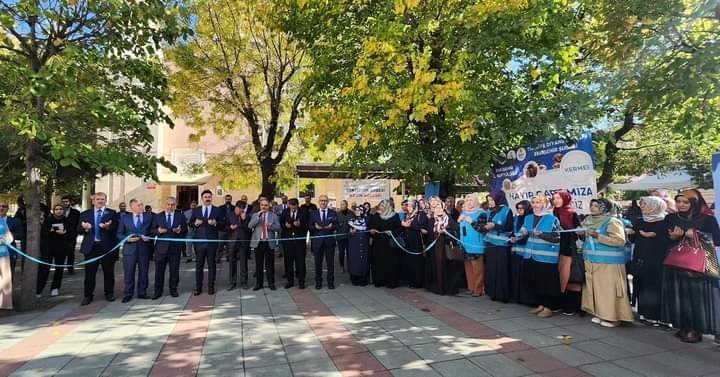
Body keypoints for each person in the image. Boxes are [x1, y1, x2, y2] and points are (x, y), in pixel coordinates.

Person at [661, 191, 720, 343]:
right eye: (678, 201)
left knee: (696, 298)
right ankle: (683, 326)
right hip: (676, 263)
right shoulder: (671, 218)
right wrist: (673, 237)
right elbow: (661, 237)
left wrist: (696, 234)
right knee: (679, 295)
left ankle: (696, 330)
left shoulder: (707, 219)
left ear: (695, 203)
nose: (681, 205)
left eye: (685, 202)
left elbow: (717, 240)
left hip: (697, 267)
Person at [580, 198, 633, 327]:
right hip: (592, 261)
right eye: (591, 205)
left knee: (609, 290)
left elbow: (619, 241)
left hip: (609, 263)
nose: (592, 208)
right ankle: (600, 313)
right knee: (597, 289)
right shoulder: (588, 220)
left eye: (596, 206)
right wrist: (581, 234)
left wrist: (598, 236)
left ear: (605, 208)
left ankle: (614, 317)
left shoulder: (613, 221)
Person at [519, 195, 561, 318]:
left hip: (546, 257)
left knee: (546, 283)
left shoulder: (552, 219)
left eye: (538, 202)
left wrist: (542, 235)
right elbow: (523, 231)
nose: (535, 205)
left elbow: (556, 238)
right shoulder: (528, 218)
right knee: (534, 281)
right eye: (533, 202)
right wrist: (518, 236)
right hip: (530, 255)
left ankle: (548, 308)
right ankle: (540, 305)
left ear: (544, 204)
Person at [629, 196, 669, 325]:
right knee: (641, 285)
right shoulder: (639, 221)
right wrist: (630, 234)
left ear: (655, 205)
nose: (642, 206)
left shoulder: (665, 222)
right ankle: (643, 313)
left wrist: (656, 236)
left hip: (657, 260)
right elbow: (634, 239)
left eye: (645, 204)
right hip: (640, 257)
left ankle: (657, 316)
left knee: (654, 287)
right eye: (641, 204)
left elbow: (670, 240)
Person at [78, 192, 119, 305]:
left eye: (102, 199)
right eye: (98, 199)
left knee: (109, 272)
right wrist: (85, 229)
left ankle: (109, 293)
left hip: (106, 247)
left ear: (105, 200)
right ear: (93, 201)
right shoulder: (85, 214)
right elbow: (78, 230)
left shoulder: (112, 213)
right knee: (89, 273)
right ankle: (88, 296)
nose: (100, 201)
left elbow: (116, 229)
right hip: (91, 248)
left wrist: (108, 227)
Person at [189, 189, 226, 295]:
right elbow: (190, 223)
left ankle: (211, 287)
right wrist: (195, 223)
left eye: (209, 197)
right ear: (202, 198)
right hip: (199, 242)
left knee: (212, 265)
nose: (207, 199)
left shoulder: (217, 210)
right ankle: (198, 288)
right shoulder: (196, 210)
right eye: (205, 197)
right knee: (199, 266)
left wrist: (215, 223)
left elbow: (223, 224)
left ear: (211, 198)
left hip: (211, 242)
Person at [553, 191, 583, 315]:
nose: (555, 201)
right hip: (554, 249)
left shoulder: (572, 214)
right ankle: (558, 303)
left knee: (570, 278)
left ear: (565, 199)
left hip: (568, 250)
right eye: (554, 198)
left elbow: (578, 233)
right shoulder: (552, 213)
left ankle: (571, 306)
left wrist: (565, 231)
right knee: (557, 278)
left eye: (558, 198)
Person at [117, 199, 153, 303]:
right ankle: (128, 293)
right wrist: (127, 239)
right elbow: (119, 233)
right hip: (129, 250)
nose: (141, 207)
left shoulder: (148, 217)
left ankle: (142, 292)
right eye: (139, 205)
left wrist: (149, 237)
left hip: (144, 249)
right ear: (132, 207)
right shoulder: (125, 218)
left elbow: (152, 230)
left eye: (142, 204)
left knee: (144, 272)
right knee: (129, 272)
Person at [425, 199, 463, 295]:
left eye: (440, 208)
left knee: (447, 266)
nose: (438, 210)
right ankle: (438, 286)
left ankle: (447, 287)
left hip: (446, 246)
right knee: (437, 266)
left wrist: (446, 231)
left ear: (443, 208)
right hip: (435, 246)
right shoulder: (431, 220)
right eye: (436, 208)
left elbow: (457, 229)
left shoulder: (448, 218)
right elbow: (429, 232)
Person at [151, 197, 187, 299]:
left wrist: (180, 231)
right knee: (159, 271)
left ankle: (173, 290)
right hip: (161, 248)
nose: (170, 207)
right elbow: (152, 230)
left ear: (175, 205)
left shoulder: (180, 216)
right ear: (165, 204)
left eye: (172, 205)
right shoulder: (158, 216)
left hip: (175, 248)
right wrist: (158, 231)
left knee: (174, 270)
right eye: (168, 204)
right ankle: (158, 291)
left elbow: (185, 229)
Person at [483, 192, 514, 302]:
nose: (490, 203)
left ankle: (503, 295)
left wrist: (495, 226)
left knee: (501, 270)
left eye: (492, 200)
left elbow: (509, 227)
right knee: (491, 269)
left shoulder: (507, 211)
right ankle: (493, 293)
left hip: (502, 245)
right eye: (488, 200)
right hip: (490, 243)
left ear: (498, 199)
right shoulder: (488, 212)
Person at [37, 204, 72, 297]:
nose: (59, 211)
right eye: (56, 209)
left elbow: (71, 235)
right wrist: (51, 231)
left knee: (59, 268)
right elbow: (43, 234)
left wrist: (64, 233)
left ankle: (55, 288)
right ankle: (39, 289)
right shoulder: (48, 220)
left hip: (61, 248)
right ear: (53, 210)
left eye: (61, 209)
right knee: (44, 269)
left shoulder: (67, 221)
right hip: (47, 248)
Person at [368, 199, 402, 288]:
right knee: (378, 262)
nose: (381, 208)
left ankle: (391, 281)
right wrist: (371, 231)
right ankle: (379, 280)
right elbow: (370, 226)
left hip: (389, 243)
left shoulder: (394, 216)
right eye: (380, 206)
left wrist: (392, 232)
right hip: (378, 243)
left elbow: (399, 228)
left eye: (383, 206)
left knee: (390, 263)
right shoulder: (376, 216)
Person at [248, 198, 281, 290]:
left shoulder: (273, 215)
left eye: (266, 205)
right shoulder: (255, 215)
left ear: (269, 206)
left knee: (270, 264)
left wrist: (271, 227)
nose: (264, 207)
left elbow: (278, 227)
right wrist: (258, 216)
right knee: (259, 264)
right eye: (262, 205)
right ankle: (259, 283)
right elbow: (250, 225)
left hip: (269, 242)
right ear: (260, 206)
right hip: (258, 243)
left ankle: (271, 283)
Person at [509, 200, 535, 305]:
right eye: (518, 208)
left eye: (522, 208)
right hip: (515, 250)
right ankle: (517, 296)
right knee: (516, 274)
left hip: (525, 252)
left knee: (524, 275)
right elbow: (513, 231)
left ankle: (526, 298)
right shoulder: (516, 219)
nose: (519, 210)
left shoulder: (530, 219)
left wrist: (518, 238)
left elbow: (527, 233)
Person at [459, 195, 486, 297]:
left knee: (478, 269)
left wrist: (471, 221)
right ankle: (471, 288)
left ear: (475, 201)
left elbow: (482, 229)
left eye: (471, 200)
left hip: (476, 245)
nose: (469, 202)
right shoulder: (464, 213)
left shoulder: (481, 213)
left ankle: (478, 290)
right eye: (467, 200)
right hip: (465, 245)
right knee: (468, 268)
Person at [310, 195, 338, 289]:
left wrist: (332, 227)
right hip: (317, 242)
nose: (323, 202)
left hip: (329, 241)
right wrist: (315, 228)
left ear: (328, 202)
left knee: (330, 263)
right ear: (318, 201)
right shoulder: (313, 213)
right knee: (318, 263)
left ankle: (330, 282)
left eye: (325, 201)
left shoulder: (333, 213)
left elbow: (337, 225)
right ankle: (318, 282)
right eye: (321, 200)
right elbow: (309, 226)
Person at [400, 199, 430, 289]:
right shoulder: (407, 215)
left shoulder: (421, 214)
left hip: (417, 241)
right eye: (407, 205)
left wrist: (409, 225)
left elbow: (421, 226)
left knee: (417, 262)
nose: (408, 207)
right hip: (408, 241)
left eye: (409, 205)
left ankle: (418, 282)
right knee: (409, 261)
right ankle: (411, 280)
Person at [280, 198, 307, 289]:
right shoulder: (285, 212)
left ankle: (301, 281)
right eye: (291, 205)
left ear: (297, 205)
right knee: (288, 261)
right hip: (288, 241)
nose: (292, 207)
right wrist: (285, 225)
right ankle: (290, 281)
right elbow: (281, 223)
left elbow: (307, 226)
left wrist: (300, 225)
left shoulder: (303, 212)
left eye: (294, 205)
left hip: (299, 242)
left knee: (300, 262)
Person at [227, 200, 251, 290]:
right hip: (232, 242)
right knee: (232, 263)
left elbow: (249, 229)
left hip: (243, 242)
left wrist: (244, 220)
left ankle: (244, 282)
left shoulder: (246, 216)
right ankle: (232, 282)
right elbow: (224, 227)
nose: (240, 211)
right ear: (236, 207)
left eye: (242, 210)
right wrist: (230, 227)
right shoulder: (230, 215)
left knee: (243, 263)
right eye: (238, 209)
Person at [347, 206, 371, 286]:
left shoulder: (367, 221)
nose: (357, 211)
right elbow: (348, 231)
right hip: (354, 244)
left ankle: (363, 279)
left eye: (359, 210)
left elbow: (368, 229)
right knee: (354, 261)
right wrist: (351, 232)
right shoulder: (351, 221)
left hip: (364, 243)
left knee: (363, 261)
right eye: (356, 210)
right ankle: (355, 279)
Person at [0, 201, 23, 273]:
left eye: (4, 206)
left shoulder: (15, 221)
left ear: (7, 209)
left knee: (8, 276)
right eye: (0, 206)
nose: (1, 208)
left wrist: (9, 236)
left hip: (9, 252)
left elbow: (20, 235)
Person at [61, 196, 80, 275]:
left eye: (66, 201)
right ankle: (60, 268)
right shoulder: (59, 211)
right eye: (63, 202)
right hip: (60, 236)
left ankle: (70, 268)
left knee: (70, 253)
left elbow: (78, 223)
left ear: (70, 202)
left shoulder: (76, 212)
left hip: (71, 236)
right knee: (60, 253)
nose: (65, 203)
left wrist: (76, 232)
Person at [0, 214, 15, 309]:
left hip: (4, 254)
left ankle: (4, 305)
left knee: (5, 279)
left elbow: (9, 236)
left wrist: (6, 239)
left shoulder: (1, 220)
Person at [217, 194, 235, 263]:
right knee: (219, 245)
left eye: (229, 199)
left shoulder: (234, 207)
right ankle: (218, 258)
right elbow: (218, 218)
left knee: (229, 245)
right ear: (225, 200)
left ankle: (229, 257)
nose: (228, 200)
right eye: (227, 199)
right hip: (222, 229)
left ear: (231, 199)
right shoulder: (220, 208)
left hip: (231, 229)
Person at [336, 200, 352, 273]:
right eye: (341, 204)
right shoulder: (338, 214)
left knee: (349, 252)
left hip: (349, 237)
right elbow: (334, 224)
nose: (342, 206)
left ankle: (350, 266)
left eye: (343, 204)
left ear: (346, 205)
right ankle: (341, 266)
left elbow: (355, 223)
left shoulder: (351, 213)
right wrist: (337, 226)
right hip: (340, 237)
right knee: (341, 252)